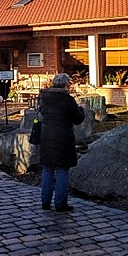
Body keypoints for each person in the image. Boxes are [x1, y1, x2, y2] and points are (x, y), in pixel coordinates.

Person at [38, 73, 84, 212]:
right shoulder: (68, 100)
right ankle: (60, 203)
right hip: (63, 136)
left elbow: (41, 114)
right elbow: (78, 119)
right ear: (66, 84)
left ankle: (45, 201)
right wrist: (81, 109)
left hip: (46, 135)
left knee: (47, 169)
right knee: (62, 170)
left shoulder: (44, 97)